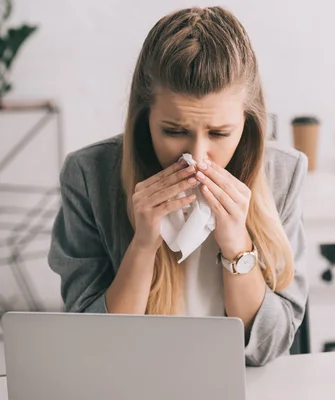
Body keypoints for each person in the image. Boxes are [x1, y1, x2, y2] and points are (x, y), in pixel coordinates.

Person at [48, 6, 308, 367]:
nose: (198, 155)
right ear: (144, 118)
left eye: (219, 133)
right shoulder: (89, 176)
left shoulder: (283, 173)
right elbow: (94, 348)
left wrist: (237, 246)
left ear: (247, 121)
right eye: (174, 131)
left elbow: (270, 346)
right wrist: (142, 245)